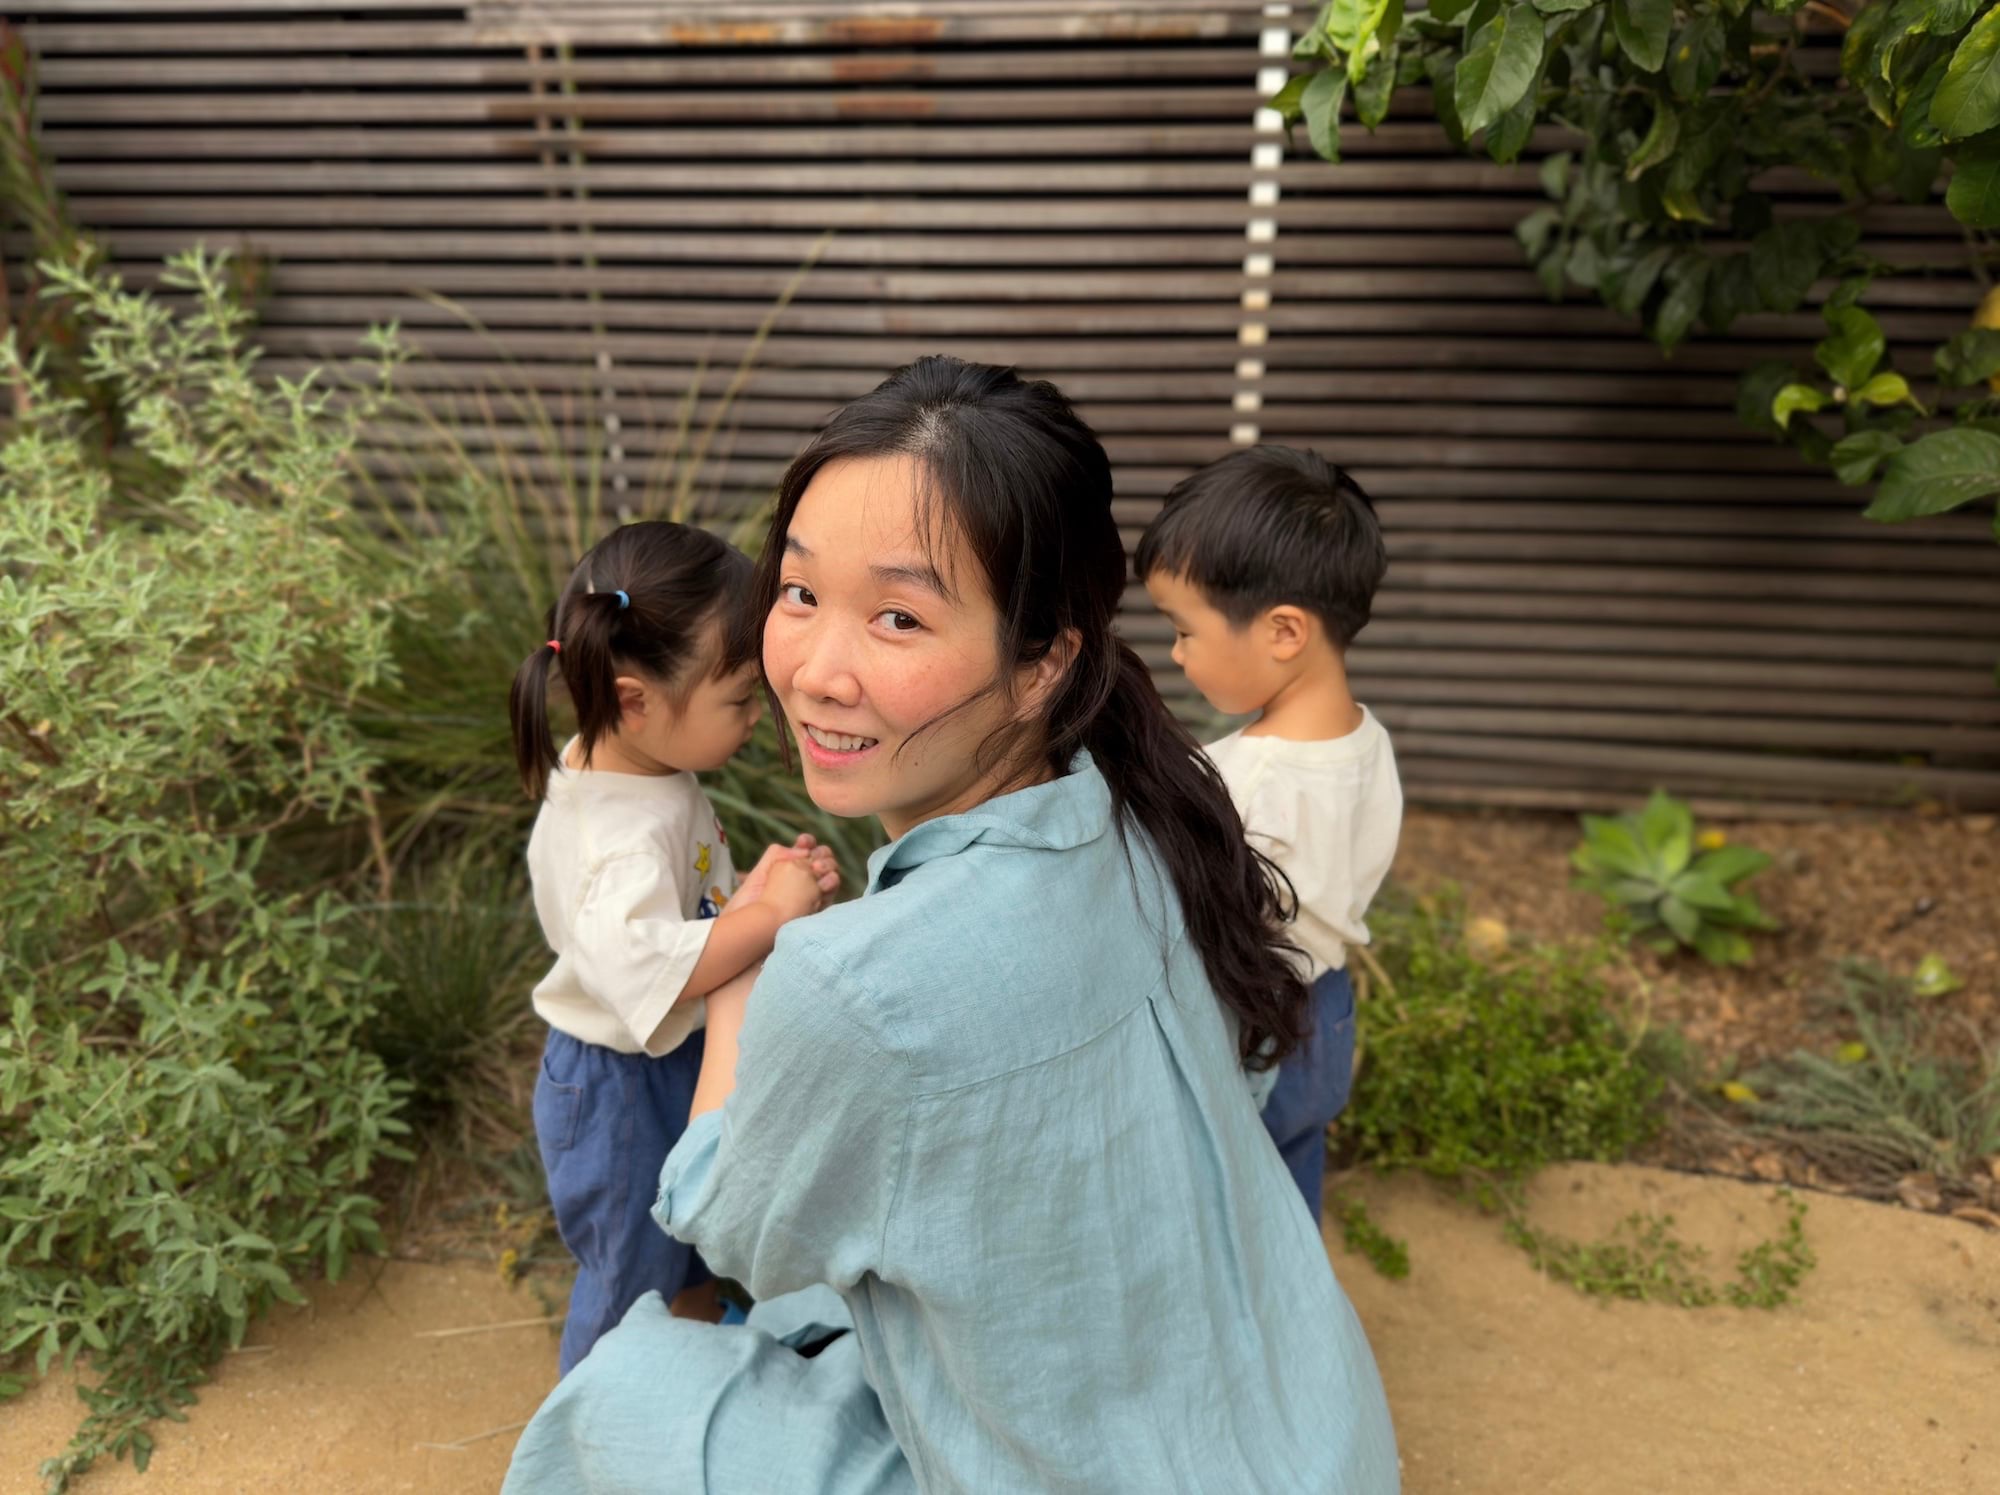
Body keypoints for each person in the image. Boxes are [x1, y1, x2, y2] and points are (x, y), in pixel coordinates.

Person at [503, 358, 1399, 1493]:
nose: (815, 671)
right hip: (1306, 1438)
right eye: (796, 593)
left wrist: (749, 965)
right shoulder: (1147, 812)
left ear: (1041, 665)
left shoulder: (851, 983)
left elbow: (724, 1221)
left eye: (897, 615)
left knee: (618, 1399)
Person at [508, 520, 839, 1375]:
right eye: (737, 700)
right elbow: (650, 968)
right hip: (620, 1088)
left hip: (662, 1055)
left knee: (683, 1244)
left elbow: (682, 916)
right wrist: (769, 920)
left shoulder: (638, 764)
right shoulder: (618, 838)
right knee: (630, 1280)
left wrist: (756, 890)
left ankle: (687, 1365)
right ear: (634, 699)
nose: (755, 715)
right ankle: (601, 1428)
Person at [1136, 446, 1402, 1222]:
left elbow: (1210, 922)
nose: (1177, 654)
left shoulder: (1250, 780)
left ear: (1284, 631)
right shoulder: (1367, 739)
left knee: (1224, 1211)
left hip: (1257, 1029)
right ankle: (1301, 1331)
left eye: (1184, 631)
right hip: (1328, 1012)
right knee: (1291, 1191)